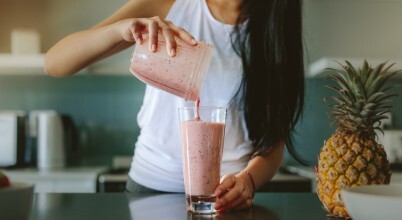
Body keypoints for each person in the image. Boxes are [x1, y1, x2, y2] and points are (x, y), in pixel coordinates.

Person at [44, 0, 305, 212]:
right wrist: (122, 29)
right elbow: (55, 63)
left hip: (224, 200)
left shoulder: (274, 32)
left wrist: (247, 181)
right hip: (148, 191)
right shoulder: (170, 6)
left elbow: (273, 145)